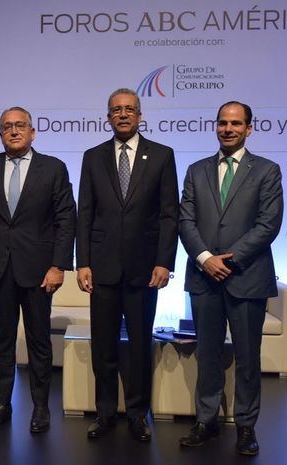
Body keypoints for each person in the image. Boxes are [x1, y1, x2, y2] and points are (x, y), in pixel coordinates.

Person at [178, 101, 283, 456]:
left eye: (236, 123)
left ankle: (246, 427)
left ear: (249, 128)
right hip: (203, 277)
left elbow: (268, 224)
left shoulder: (267, 170)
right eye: (222, 122)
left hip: (247, 277)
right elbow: (185, 221)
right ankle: (206, 421)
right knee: (207, 354)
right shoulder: (196, 170)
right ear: (215, 126)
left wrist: (230, 259)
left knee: (248, 357)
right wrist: (206, 258)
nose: (228, 128)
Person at [0, 106, 76, 433]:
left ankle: (41, 408)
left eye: (20, 126)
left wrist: (58, 266)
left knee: (39, 341)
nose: (14, 131)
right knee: (1, 339)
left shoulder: (53, 168)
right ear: (0, 133)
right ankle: (2, 405)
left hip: (39, 271)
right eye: (7, 127)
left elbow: (66, 221)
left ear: (32, 131)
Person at [76, 88, 179, 440]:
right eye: (116, 110)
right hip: (101, 269)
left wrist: (165, 261)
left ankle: (137, 414)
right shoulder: (92, 157)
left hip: (143, 269)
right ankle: (105, 413)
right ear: (108, 116)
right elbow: (85, 213)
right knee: (103, 347)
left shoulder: (162, 156)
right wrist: (83, 261)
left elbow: (169, 215)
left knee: (138, 346)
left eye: (129, 109)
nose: (123, 114)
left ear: (140, 115)